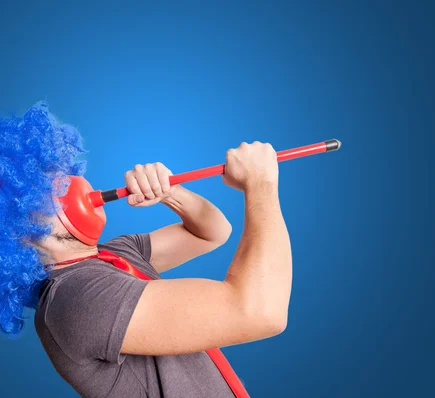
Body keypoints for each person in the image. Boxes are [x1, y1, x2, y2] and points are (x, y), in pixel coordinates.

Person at [33, 141, 293, 397]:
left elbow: (212, 233)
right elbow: (261, 312)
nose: (61, 188)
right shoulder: (75, 298)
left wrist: (170, 193)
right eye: (34, 196)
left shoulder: (113, 253)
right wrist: (261, 184)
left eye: (55, 180)